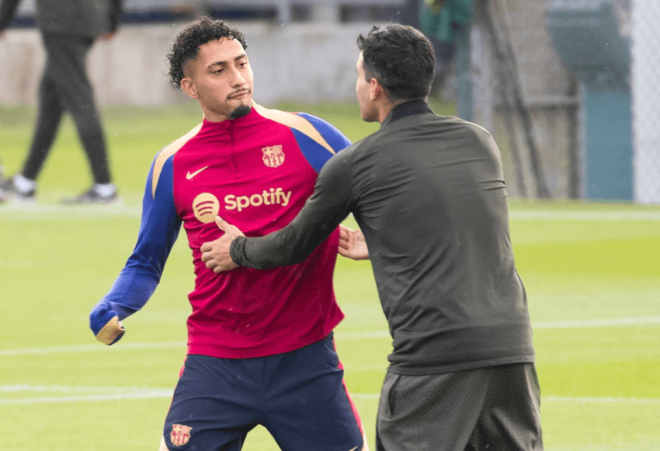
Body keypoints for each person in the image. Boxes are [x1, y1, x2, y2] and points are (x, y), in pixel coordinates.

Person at [202, 24, 544, 451]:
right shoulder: (479, 141)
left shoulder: (356, 165)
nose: (357, 86)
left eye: (358, 75)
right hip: (512, 350)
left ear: (375, 87)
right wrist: (385, 241)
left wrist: (238, 249)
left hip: (434, 357)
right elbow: (459, 218)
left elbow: (293, 245)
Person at [88, 17, 366, 451]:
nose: (238, 79)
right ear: (190, 87)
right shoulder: (172, 164)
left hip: (306, 360)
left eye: (242, 63)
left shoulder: (310, 135)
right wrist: (116, 302)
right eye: (219, 71)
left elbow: (385, 197)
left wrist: (379, 240)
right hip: (215, 363)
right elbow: (146, 260)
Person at [0, 0, 122, 204]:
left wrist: (2, 20)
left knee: (80, 99)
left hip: (61, 20)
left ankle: (104, 187)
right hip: (91, 15)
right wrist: (112, 19)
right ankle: (25, 183)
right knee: (51, 97)